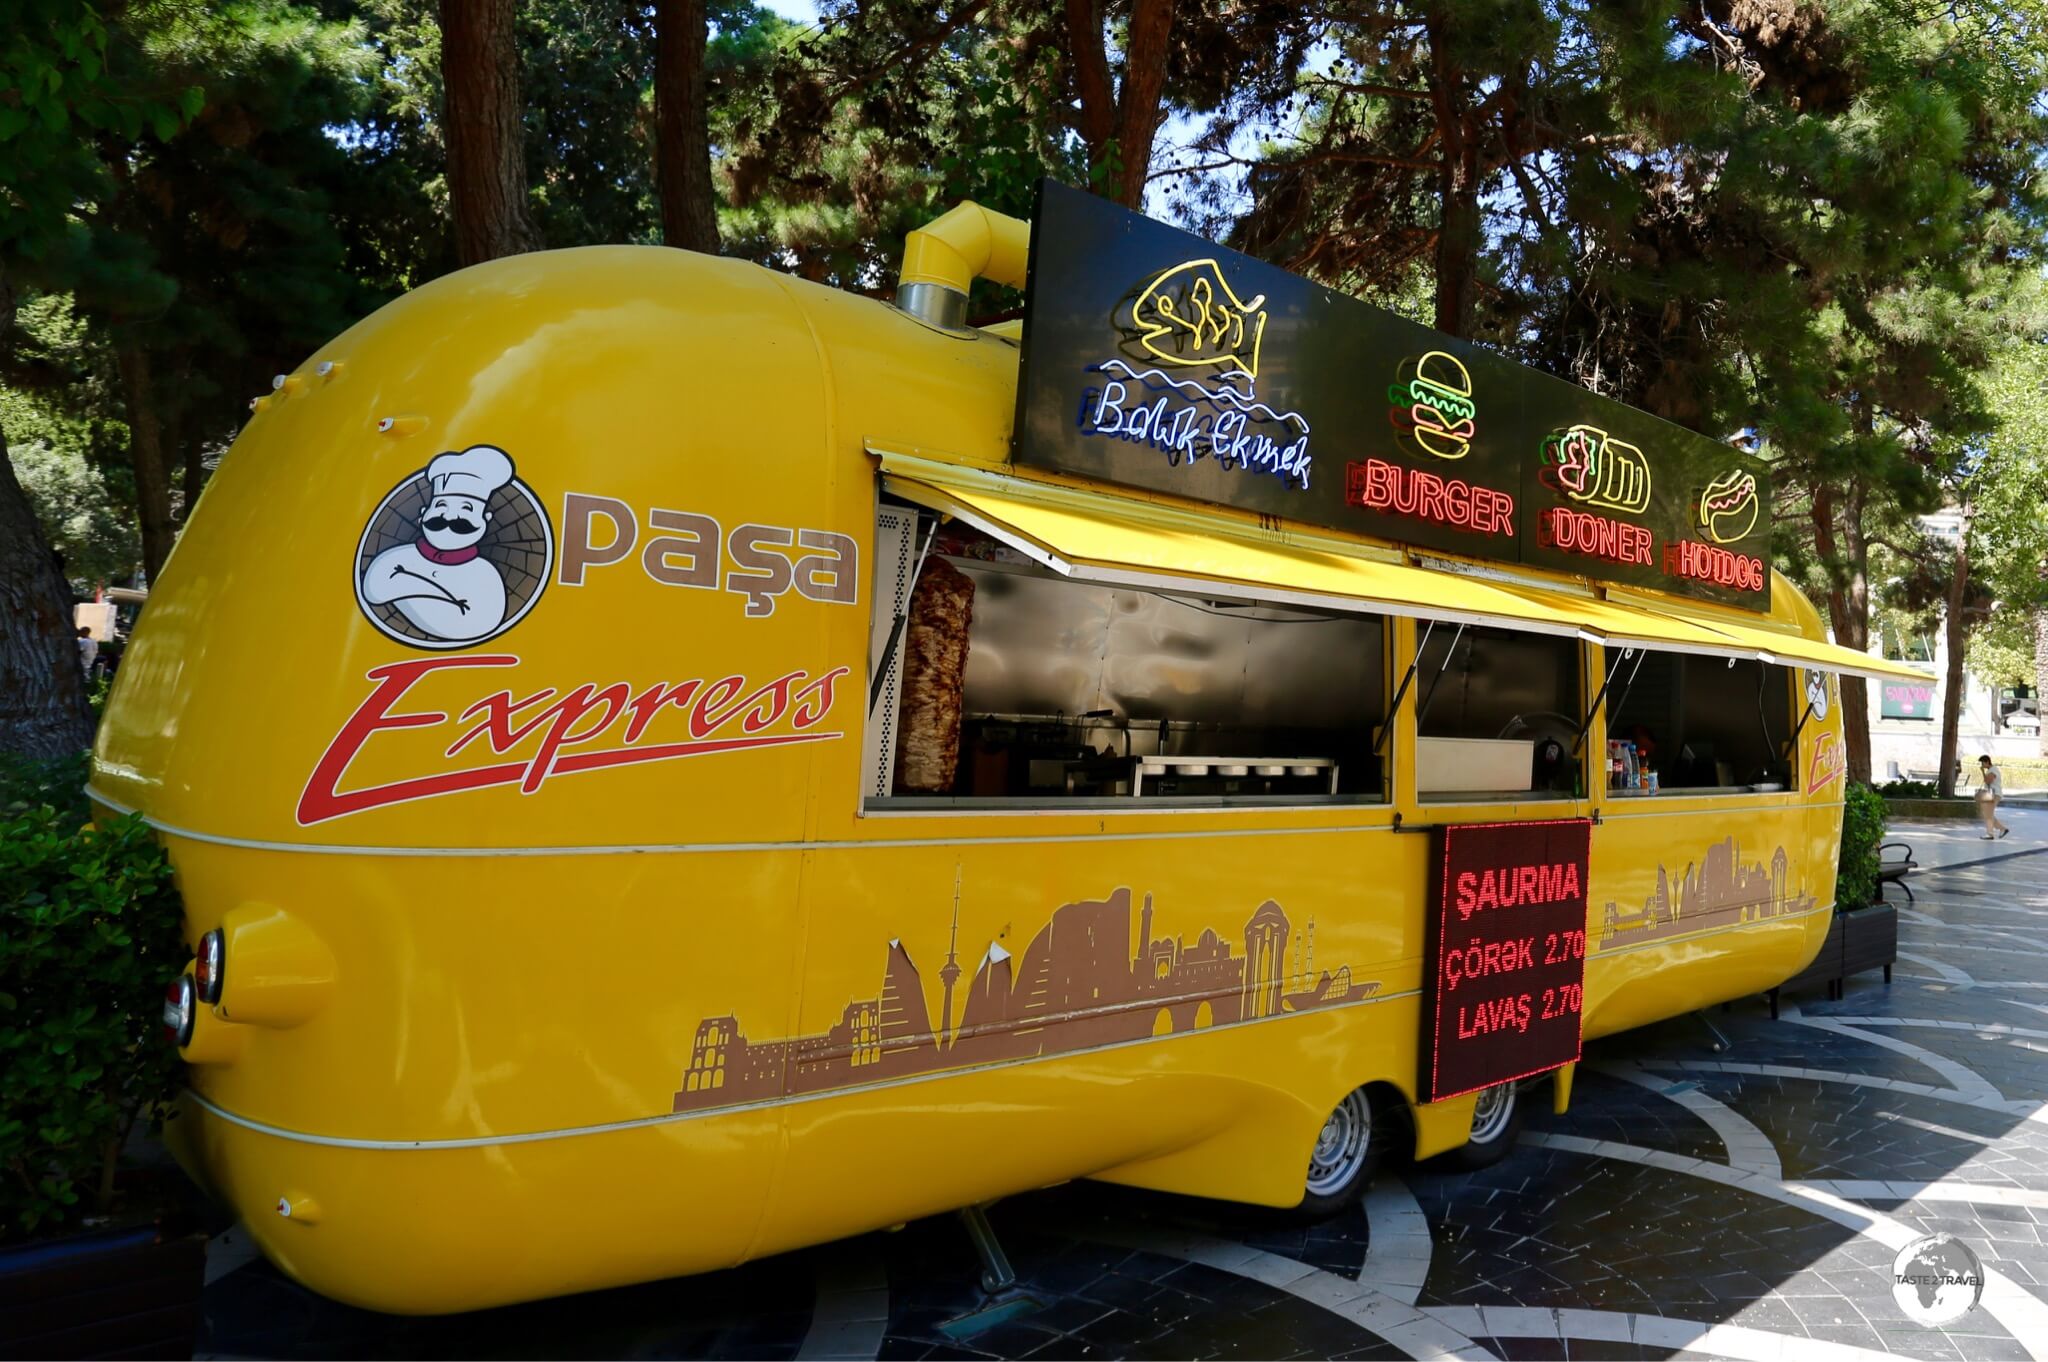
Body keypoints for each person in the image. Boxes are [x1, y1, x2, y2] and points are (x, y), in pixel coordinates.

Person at [1977, 754, 2010, 840]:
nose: (1982, 765)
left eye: (1983, 763)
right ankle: (2000, 829)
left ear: (1987, 762)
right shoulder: (1991, 770)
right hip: (1993, 794)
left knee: (1988, 814)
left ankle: (1992, 833)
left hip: (1994, 794)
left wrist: (1982, 772)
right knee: (1988, 814)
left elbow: (1988, 781)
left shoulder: (1993, 770)